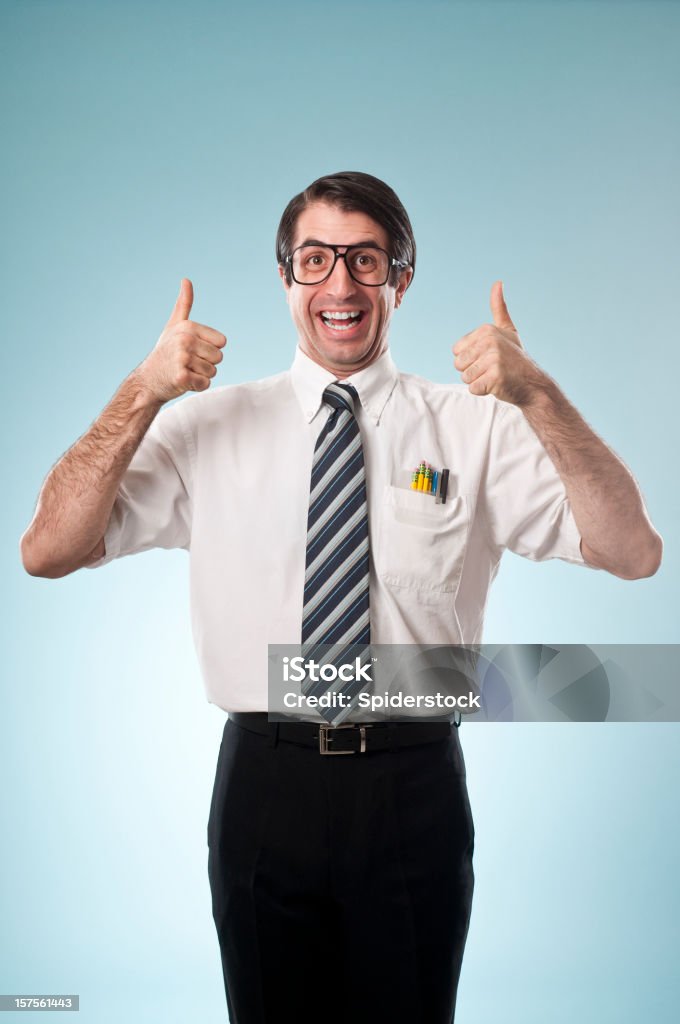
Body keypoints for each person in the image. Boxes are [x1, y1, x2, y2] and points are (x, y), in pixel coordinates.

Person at [20, 171, 662, 1024]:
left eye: (366, 260)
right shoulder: (203, 425)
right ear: (286, 277)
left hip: (413, 789)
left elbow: (632, 551)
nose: (341, 285)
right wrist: (142, 394)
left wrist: (537, 396)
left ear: (401, 279)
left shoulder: (476, 426)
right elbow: (46, 551)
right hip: (263, 784)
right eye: (316, 259)